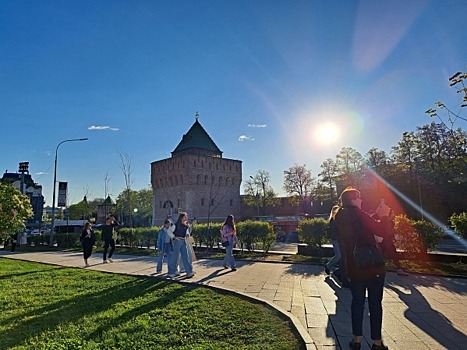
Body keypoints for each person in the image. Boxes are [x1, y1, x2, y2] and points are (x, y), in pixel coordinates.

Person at [334, 188, 389, 350]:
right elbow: (380, 231)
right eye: (358, 197)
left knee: (357, 302)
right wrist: (384, 216)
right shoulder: (359, 213)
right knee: (375, 303)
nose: (361, 199)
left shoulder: (339, 216)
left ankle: (356, 340)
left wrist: (375, 216)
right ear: (352, 200)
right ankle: (377, 343)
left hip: (355, 267)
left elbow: (360, 228)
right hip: (373, 267)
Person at [372, 202, 408, 276]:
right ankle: (378, 269)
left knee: (393, 254)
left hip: (387, 241)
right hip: (382, 241)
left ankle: (399, 269)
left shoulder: (390, 222)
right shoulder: (383, 220)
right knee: (383, 255)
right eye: (392, 214)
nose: (393, 215)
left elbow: (389, 231)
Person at [168, 212, 194, 278]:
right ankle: (171, 272)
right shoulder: (175, 225)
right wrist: (174, 237)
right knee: (175, 257)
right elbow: (169, 231)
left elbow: (187, 232)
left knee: (186, 256)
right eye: (185, 216)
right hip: (177, 241)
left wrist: (187, 234)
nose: (186, 218)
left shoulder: (186, 226)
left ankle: (189, 271)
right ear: (182, 217)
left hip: (183, 241)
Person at [325, 205, 341, 275]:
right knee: (338, 255)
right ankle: (328, 266)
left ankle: (333, 266)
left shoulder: (334, 220)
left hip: (337, 239)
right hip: (335, 239)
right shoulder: (333, 220)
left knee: (340, 255)